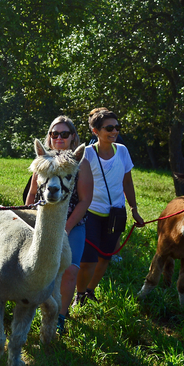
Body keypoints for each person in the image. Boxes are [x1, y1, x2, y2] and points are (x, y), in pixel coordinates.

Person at [25, 116, 92, 334]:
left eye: (64, 134)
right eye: (55, 134)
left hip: (71, 222)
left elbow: (85, 200)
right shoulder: (43, 160)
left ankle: (59, 316)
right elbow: (33, 193)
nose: (59, 138)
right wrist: (26, 216)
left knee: (70, 270)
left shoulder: (80, 163)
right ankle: (30, 309)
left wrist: (67, 227)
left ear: (73, 137)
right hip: (43, 220)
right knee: (37, 267)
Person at [75, 108, 143, 306]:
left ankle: (90, 291)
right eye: (109, 128)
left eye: (117, 127)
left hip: (116, 214)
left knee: (105, 257)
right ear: (95, 131)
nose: (114, 132)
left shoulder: (122, 151)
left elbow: (127, 183)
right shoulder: (86, 154)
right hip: (91, 213)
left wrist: (134, 209)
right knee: (88, 260)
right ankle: (79, 294)